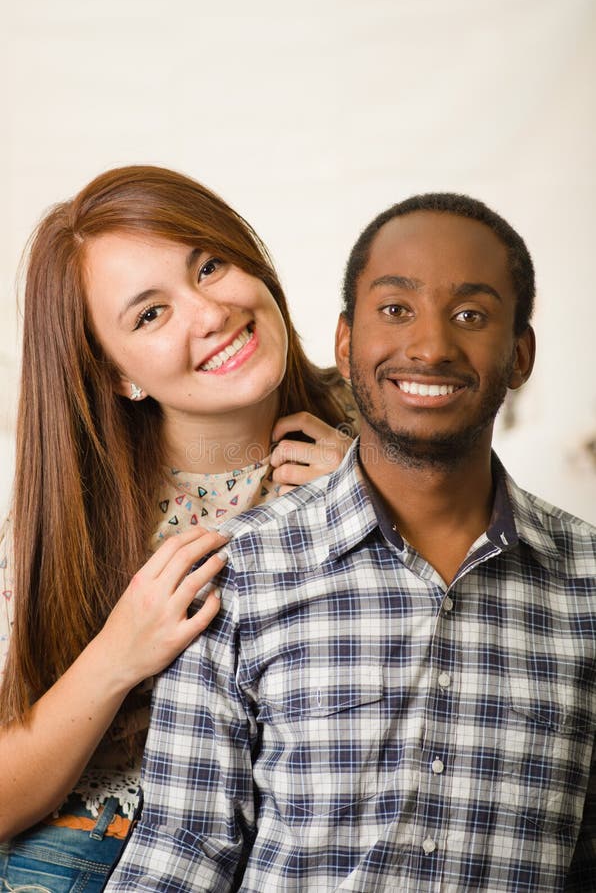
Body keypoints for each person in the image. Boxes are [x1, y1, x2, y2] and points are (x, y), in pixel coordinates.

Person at [106, 193, 596, 892]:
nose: (430, 346)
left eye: (471, 315)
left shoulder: (586, 583)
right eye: (396, 310)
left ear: (520, 355)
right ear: (344, 343)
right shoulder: (237, 570)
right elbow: (181, 854)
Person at [0, 165, 356, 891]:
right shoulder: (78, 512)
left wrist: (377, 505)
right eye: (150, 315)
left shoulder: (381, 430)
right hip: (95, 853)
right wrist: (119, 653)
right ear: (118, 376)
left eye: (210, 265)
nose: (209, 312)